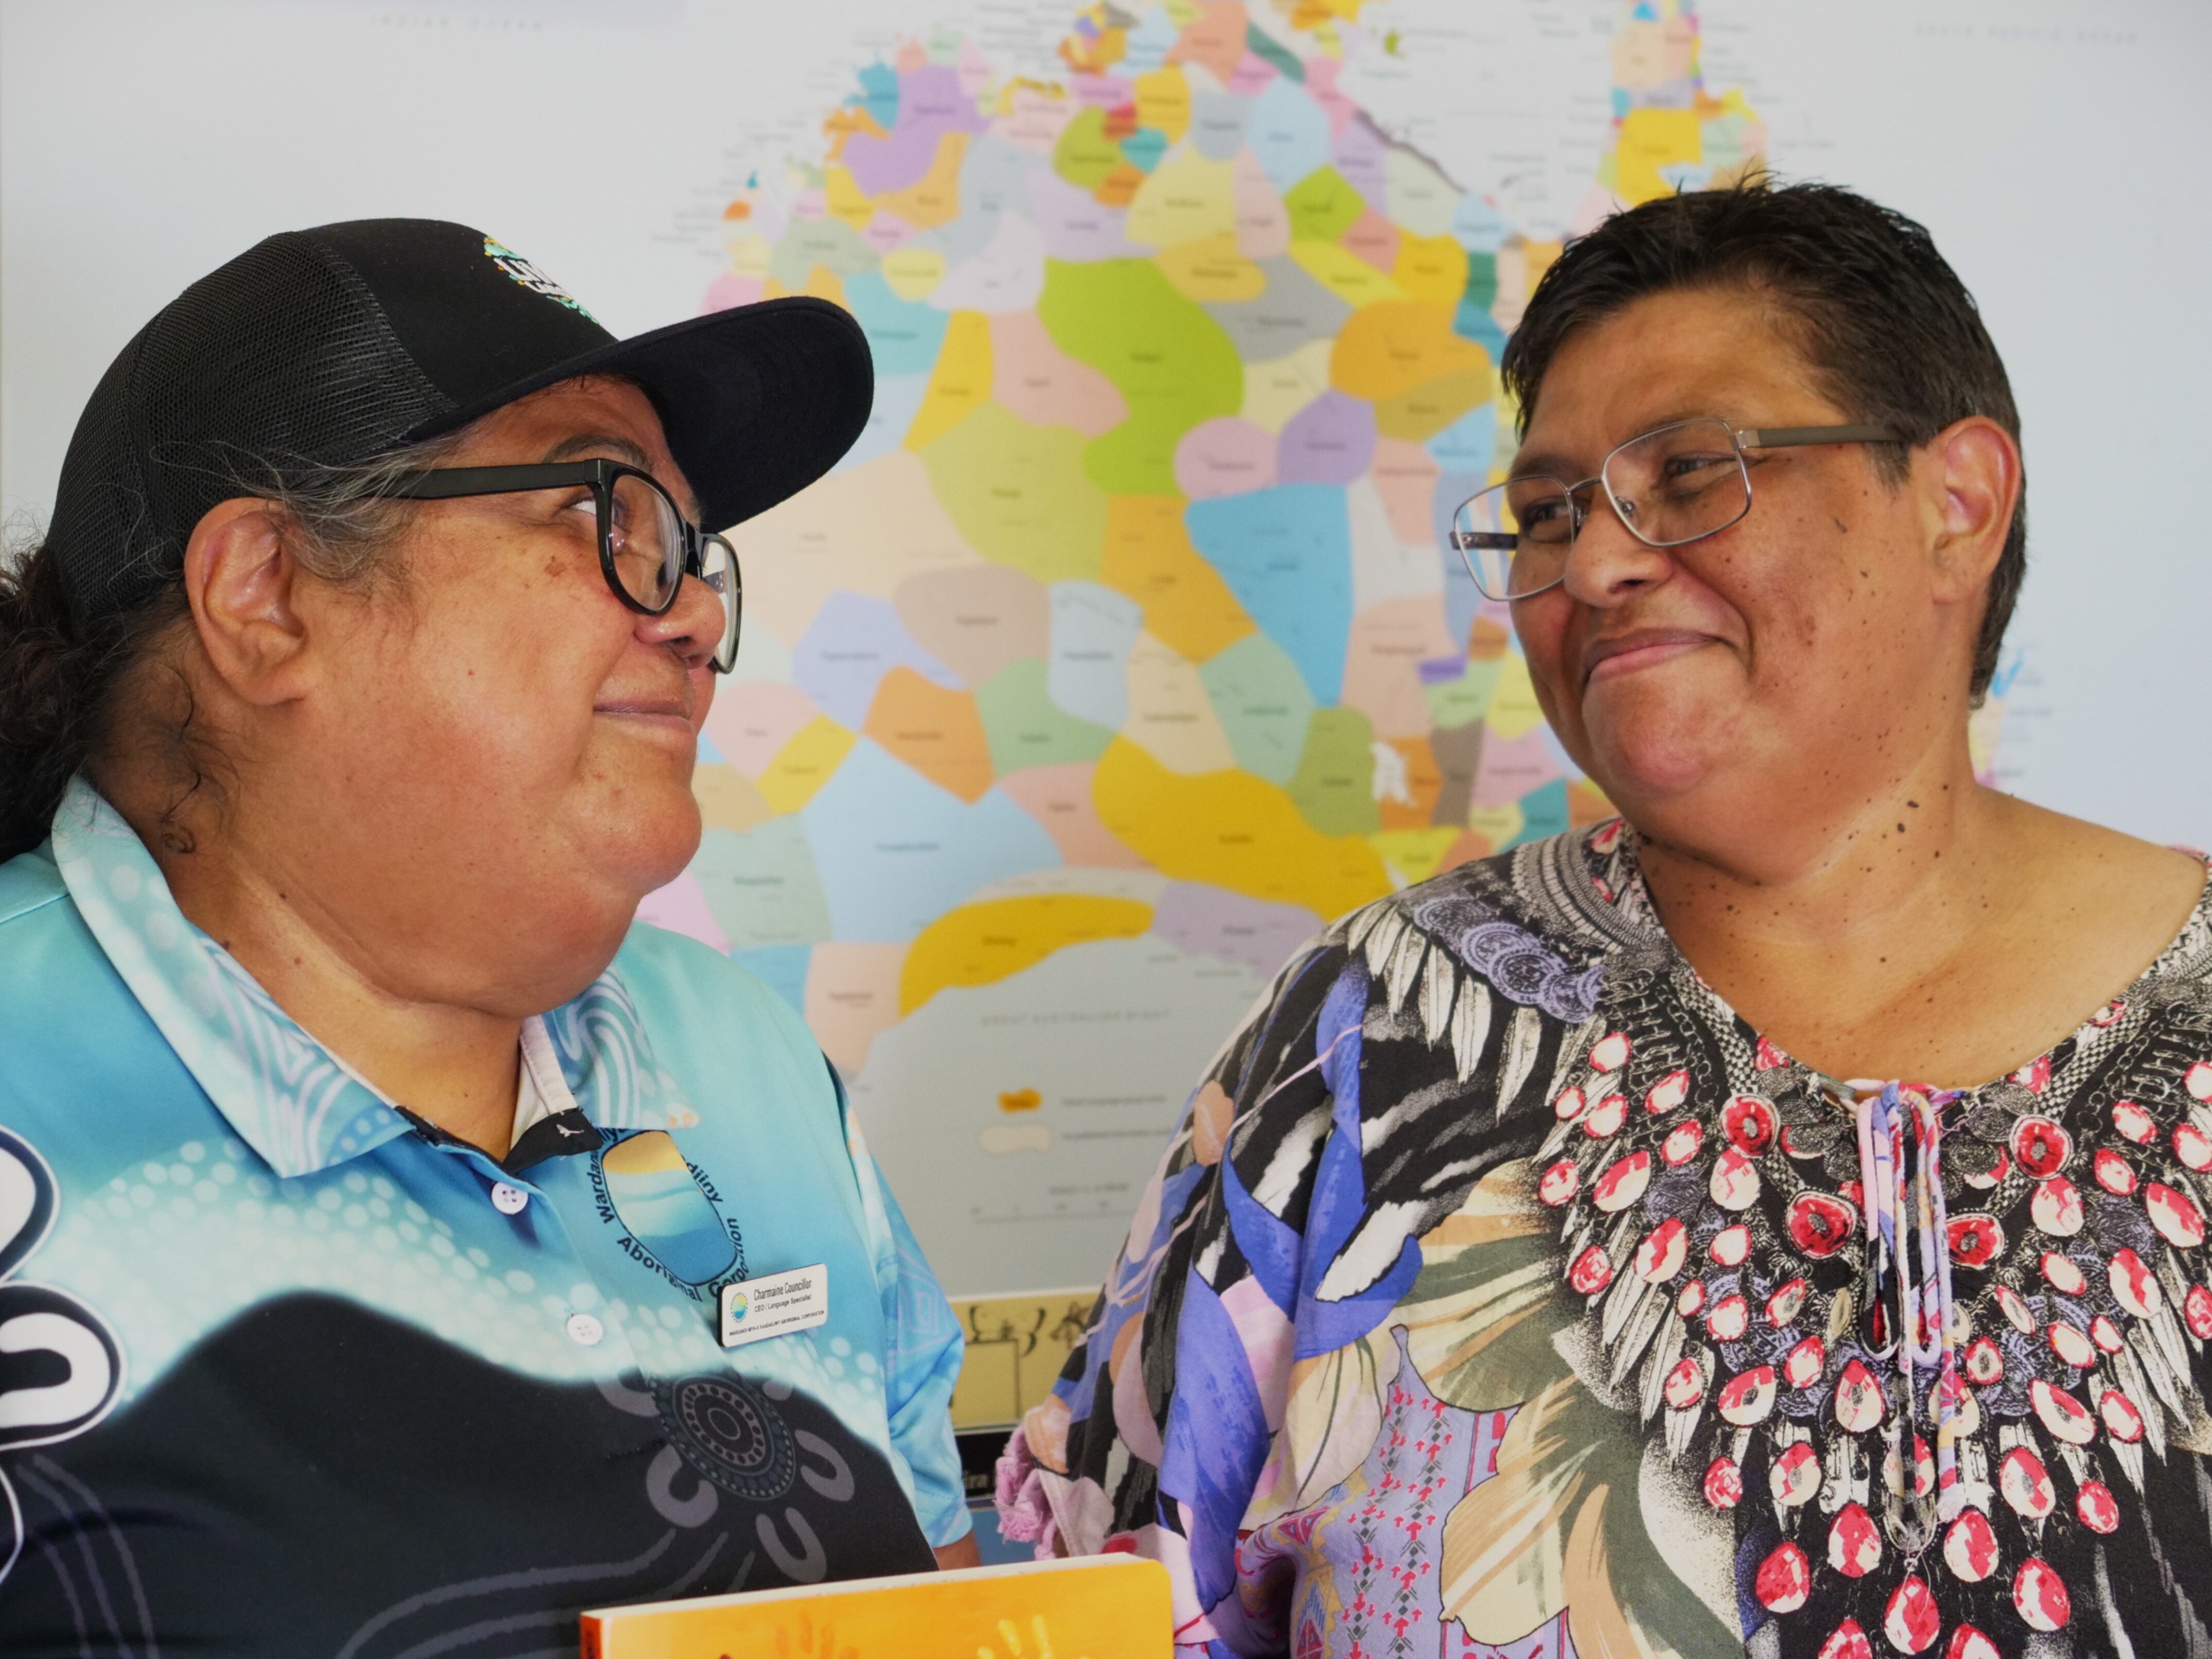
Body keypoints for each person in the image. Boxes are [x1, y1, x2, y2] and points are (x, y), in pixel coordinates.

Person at [997, 178, 2212, 1659]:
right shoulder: (1371, 1030)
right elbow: (1086, 1603)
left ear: (1954, 502)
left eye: (1690, 474)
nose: (1594, 565)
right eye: (1544, 514)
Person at [0, 219, 978, 1657]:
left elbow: (955, 1607)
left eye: (692, 551)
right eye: (607, 517)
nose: (699, 610)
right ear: (267, 594)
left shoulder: (753, 1065)